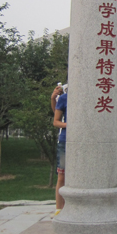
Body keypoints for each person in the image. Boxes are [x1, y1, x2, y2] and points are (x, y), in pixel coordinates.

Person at [51, 83, 68, 217]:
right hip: (65, 141)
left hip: (83, 141)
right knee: (62, 176)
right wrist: (70, 125)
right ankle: (59, 209)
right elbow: (56, 121)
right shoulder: (64, 98)